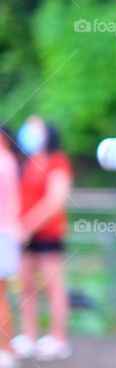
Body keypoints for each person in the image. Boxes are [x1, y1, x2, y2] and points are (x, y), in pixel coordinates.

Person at [11, 117, 72, 362]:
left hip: (48, 234)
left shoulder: (58, 161)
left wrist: (28, 225)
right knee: (25, 285)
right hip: (22, 234)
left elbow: (55, 201)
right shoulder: (24, 162)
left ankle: (58, 339)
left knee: (53, 286)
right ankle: (30, 335)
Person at [0, 127, 21, 368]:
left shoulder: (4, 162)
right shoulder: (9, 161)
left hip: (3, 233)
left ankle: (6, 347)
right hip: (7, 233)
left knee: (1, 294)